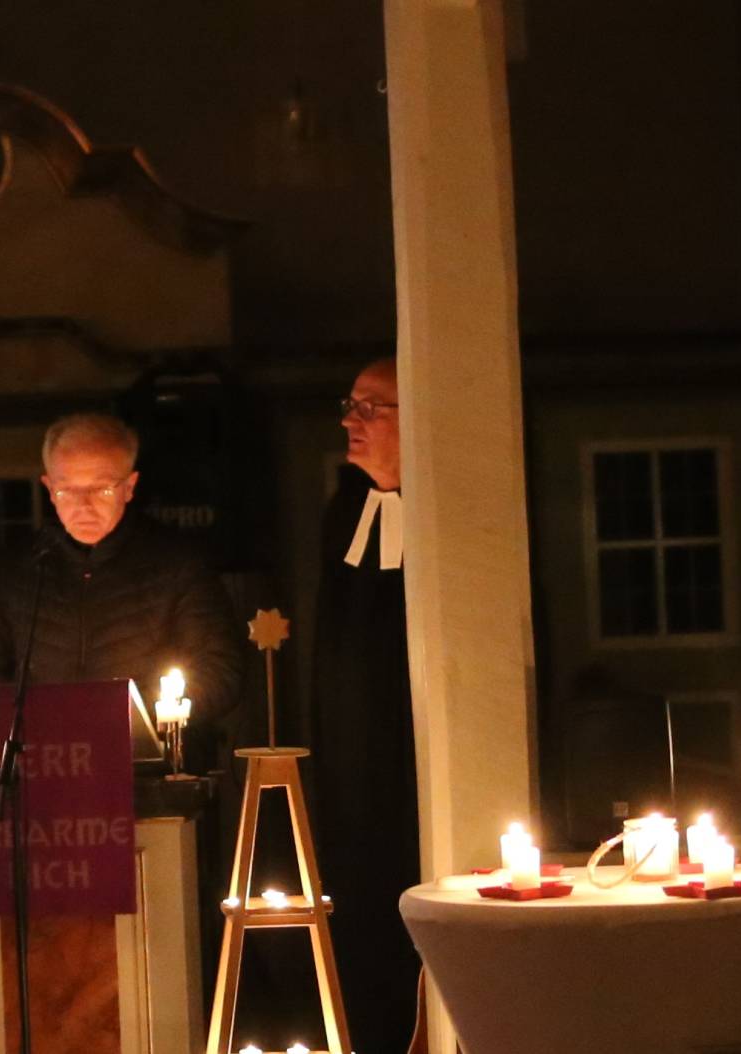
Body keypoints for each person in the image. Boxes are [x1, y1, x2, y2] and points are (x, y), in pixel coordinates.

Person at [0, 412, 244, 765]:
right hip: (45, 770)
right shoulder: (16, 572)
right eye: (67, 489)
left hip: (151, 771)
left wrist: (138, 718)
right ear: (49, 488)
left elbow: (221, 670)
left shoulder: (177, 564)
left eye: (101, 487)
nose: (83, 505)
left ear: (129, 486)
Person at [309, 358, 424, 1053]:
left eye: (370, 408)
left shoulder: (445, 515)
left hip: (415, 761)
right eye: (349, 405)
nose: (351, 421)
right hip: (351, 768)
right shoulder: (345, 508)